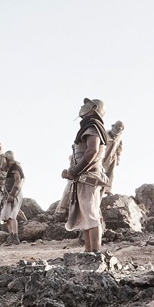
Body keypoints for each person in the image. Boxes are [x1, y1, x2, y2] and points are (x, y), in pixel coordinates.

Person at [62, 98, 108, 253]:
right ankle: (89, 252)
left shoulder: (93, 126)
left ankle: (95, 253)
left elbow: (92, 151)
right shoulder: (91, 126)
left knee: (91, 214)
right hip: (85, 178)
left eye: (85, 104)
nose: (81, 106)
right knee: (87, 216)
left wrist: (74, 171)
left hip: (89, 178)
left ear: (93, 108)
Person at [0, 151, 25, 244]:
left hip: (14, 194)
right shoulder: (9, 168)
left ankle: (15, 237)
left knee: (12, 216)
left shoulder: (15, 168)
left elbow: (17, 181)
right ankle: (11, 236)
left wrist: (12, 194)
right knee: (6, 217)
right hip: (7, 194)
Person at [102, 120, 126, 192]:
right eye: (118, 126)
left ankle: (108, 189)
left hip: (112, 158)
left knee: (110, 173)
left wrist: (118, 159)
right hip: (103, 155)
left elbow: (119, 149)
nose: (119, 128)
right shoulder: (106, 133)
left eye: (121, 127)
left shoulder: (119, 138)